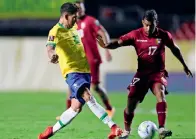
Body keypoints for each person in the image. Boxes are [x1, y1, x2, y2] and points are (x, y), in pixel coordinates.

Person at [96, 9, 193, 139]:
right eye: (146, 24)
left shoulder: (164, 35)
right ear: (143, 22)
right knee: (130, 103)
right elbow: (118, 43)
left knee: (160, 92)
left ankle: (161, 129)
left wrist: (184, 66)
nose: (148, 28)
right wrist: (107, 45)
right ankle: (127, 131)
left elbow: (175, 49)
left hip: (158, 73)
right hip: (142, 74)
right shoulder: (135, 35)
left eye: (151, 25)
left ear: (156, 23)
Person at [38, 3, 122, 139]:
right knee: (88, 96)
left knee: (75, 108)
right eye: (73, 18)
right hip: (72, 72)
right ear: (65, 16)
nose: (76, 21)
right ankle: (113, 127)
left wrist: (103, 44)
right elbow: (49, 47)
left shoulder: (74, 26)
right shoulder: (55, 31)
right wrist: (52, 55)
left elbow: (95, 33)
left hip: (85, 71)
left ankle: (50, 131)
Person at [61, 0, 115, 118]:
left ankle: (109, 108)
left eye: (81, 8)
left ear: (84, 8)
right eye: (77, 9)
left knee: (95, 86)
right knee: (71, 86)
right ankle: (67, 113)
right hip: (78, 61)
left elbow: (103, 32)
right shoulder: (72, 25)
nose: (79, 11)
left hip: (92, 59)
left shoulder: (90, 21)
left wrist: (107, 49)